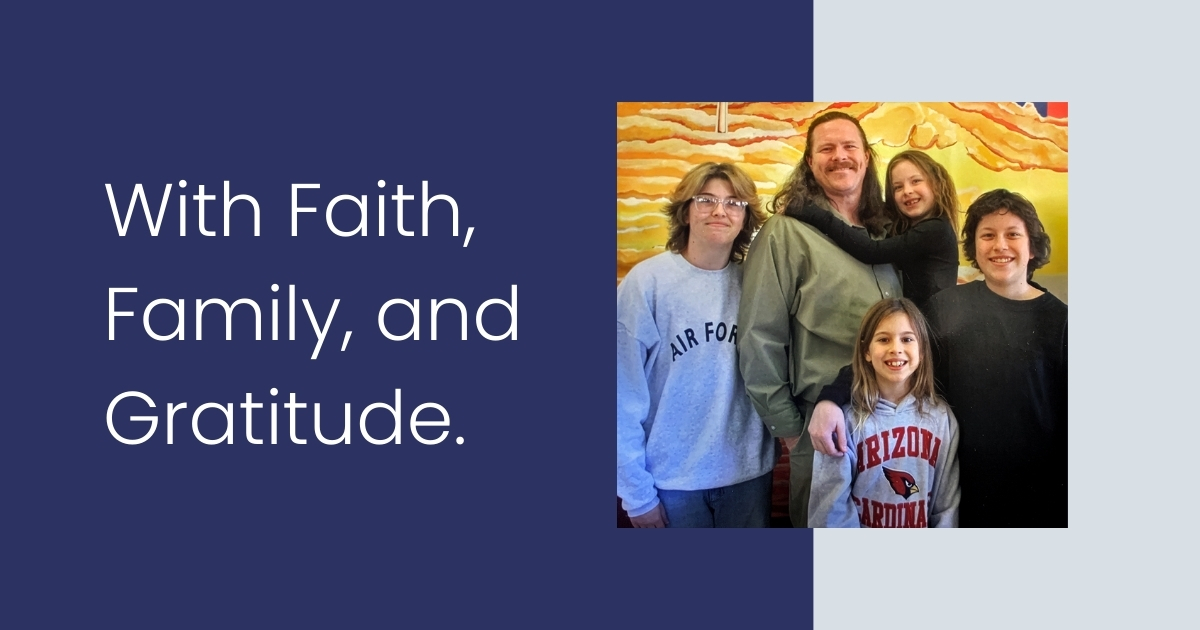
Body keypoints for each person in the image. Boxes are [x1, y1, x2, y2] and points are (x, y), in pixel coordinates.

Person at [808, 189, 1067, 527]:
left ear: (1032, 246)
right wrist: (831, 399)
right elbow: (898, 359)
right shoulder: (948, 307)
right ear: (974, 247)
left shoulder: (1061, 322)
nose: (999, 245)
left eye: (1012, 234)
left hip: (1038, 496)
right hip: (956, 488)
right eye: (987, 235)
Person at [738, 111, 902, 527]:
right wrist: (791, 430)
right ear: (810, 162)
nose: (839, 157)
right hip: (825, 427)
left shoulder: (888, 232)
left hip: (894, 420)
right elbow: (759, 338)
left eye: (849, 147)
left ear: (866, 158)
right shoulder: (784, 233)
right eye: (826, 149)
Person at [617, 162, 775, 528]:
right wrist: (637, 496)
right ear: (686, 212)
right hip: (672, 485)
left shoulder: (756, 284)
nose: (720, 210)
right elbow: (619, 397)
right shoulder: (647, 284)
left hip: (748, 478)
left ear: (745, 217)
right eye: (706, 200)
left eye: (734, 202)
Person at [808, 298, 959, 527]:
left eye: (907, 339)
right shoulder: (844, 421)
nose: (896, 348)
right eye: (883, 339)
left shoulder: (941, 418)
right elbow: (830, 507)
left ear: (922, 351)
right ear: (867, 351)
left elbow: (946, 504)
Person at [787, 149, 960, 309]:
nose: (907, 191)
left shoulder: (936, 229)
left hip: (933, 335)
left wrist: (814, 214)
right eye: (897, 187)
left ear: (936, 185)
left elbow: (871, 251)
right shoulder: (911, 227)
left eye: (916, 181)